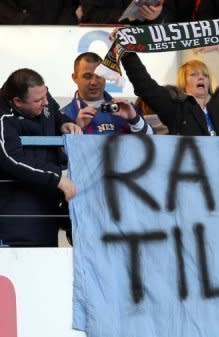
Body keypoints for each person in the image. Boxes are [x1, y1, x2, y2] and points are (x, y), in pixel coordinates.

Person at [120, 35, 219, 136]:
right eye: (194, 74)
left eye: (205, 74)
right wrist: (126, 52)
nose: (201, 77)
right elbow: (145, 86)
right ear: (183, 82)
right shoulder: (175, 108)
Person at [0, 68, 80, 247]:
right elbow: (11, 158)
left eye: (46, 95)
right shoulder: (3, 117)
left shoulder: (42, 96)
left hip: (47, 208)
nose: (46, 102)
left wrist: (66, 124)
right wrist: (57, 178)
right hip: (15, 218)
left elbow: (56, 114)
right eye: (38, 100)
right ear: (17, 102)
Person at [62, 52, 152, 135]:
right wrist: (76, 129)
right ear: (75, 77)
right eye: (87, 76)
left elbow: (153, 142)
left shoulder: (127, 109)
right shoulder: (64, 115)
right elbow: (58, 151)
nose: (93, 82)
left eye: (99, 76)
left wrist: (134, 119)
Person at [77, 0, 176, 24]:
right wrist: (127, 16)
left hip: (145, 41)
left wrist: (156, 15)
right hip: (104, 38)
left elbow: (171, 12)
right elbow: (89, 14)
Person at [0, 0, 78, 24]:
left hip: (59, 33)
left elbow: (69, 6)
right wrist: (23, 20)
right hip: (19, 32)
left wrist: (63, 27)